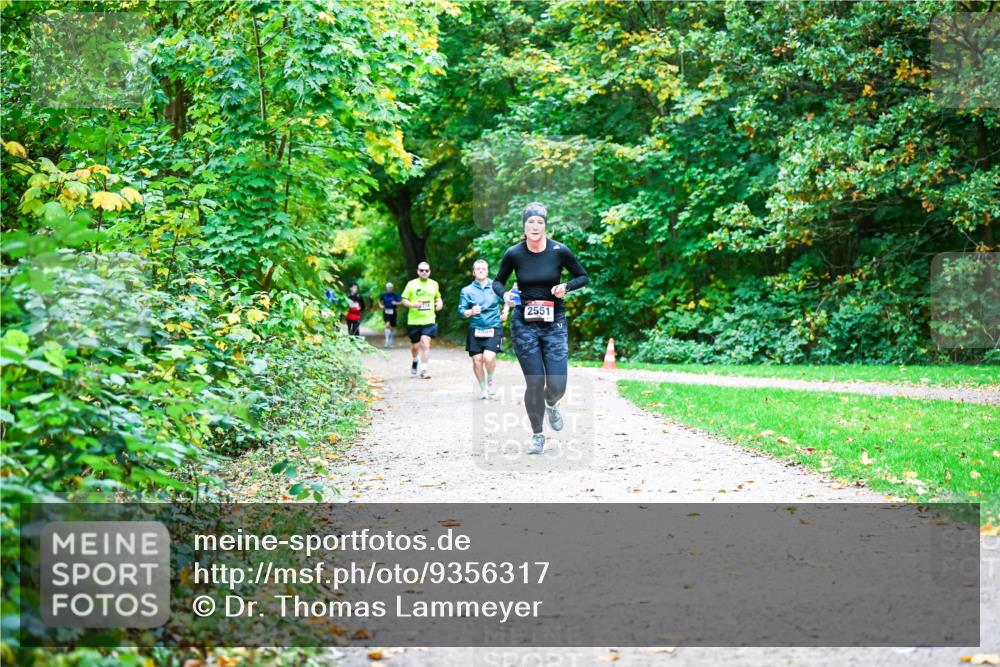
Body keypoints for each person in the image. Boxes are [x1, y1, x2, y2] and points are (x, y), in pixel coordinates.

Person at [492, 202, 589, 454]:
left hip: (554, 322)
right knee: (534, 381)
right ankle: (537, 435)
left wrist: (566, 287)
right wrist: (505, 296)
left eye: (539, 223)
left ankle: (552, 403)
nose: (534, 227)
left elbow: (583, 276)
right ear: (524, 227)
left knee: (558, 383)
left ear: (546, 226)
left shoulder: (559, 251)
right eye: (530, 223)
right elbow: (497, 282)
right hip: (524, 323)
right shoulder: (514, 253)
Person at [458, 259, 508, 400]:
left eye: (483, 268)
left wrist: (505, 312)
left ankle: (490, 381)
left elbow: (507, 301)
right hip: (475, 328)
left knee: (488, 357)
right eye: (478, 268)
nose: (480, 270)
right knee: (477, 360)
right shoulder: (467, 291)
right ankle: (483, 388)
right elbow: (461, 312)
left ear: (487, 271)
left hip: (493, 326)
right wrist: (471, 311)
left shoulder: (496, 287)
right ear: (473, 272)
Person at [400, 261, 443, 379]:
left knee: (425, 343)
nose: (424, 272)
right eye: (421, 270)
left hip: (429, 319)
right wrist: (414, 305)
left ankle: (424, 370)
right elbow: (404, 300)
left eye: (426, 270)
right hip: (414, 320)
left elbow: (438, 297)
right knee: (415, 346)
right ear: (418, 271)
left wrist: (440, 303)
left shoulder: (434, 284)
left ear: (430, 272)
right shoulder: (411, 284)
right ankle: (415, 360)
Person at [378, 282, 403, 349]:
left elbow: (401, 302)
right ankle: (387, 340)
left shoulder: (395, 295)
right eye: (388, 287)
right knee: (387, 325)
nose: (389, 288)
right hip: (386, 311)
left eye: (390, 287)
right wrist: (381, 305)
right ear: (386, 288)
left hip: (393, 311)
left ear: (392, 288)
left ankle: (391, 340)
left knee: (392, 327)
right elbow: (379, 300)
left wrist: (396, 303)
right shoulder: (384, 294)